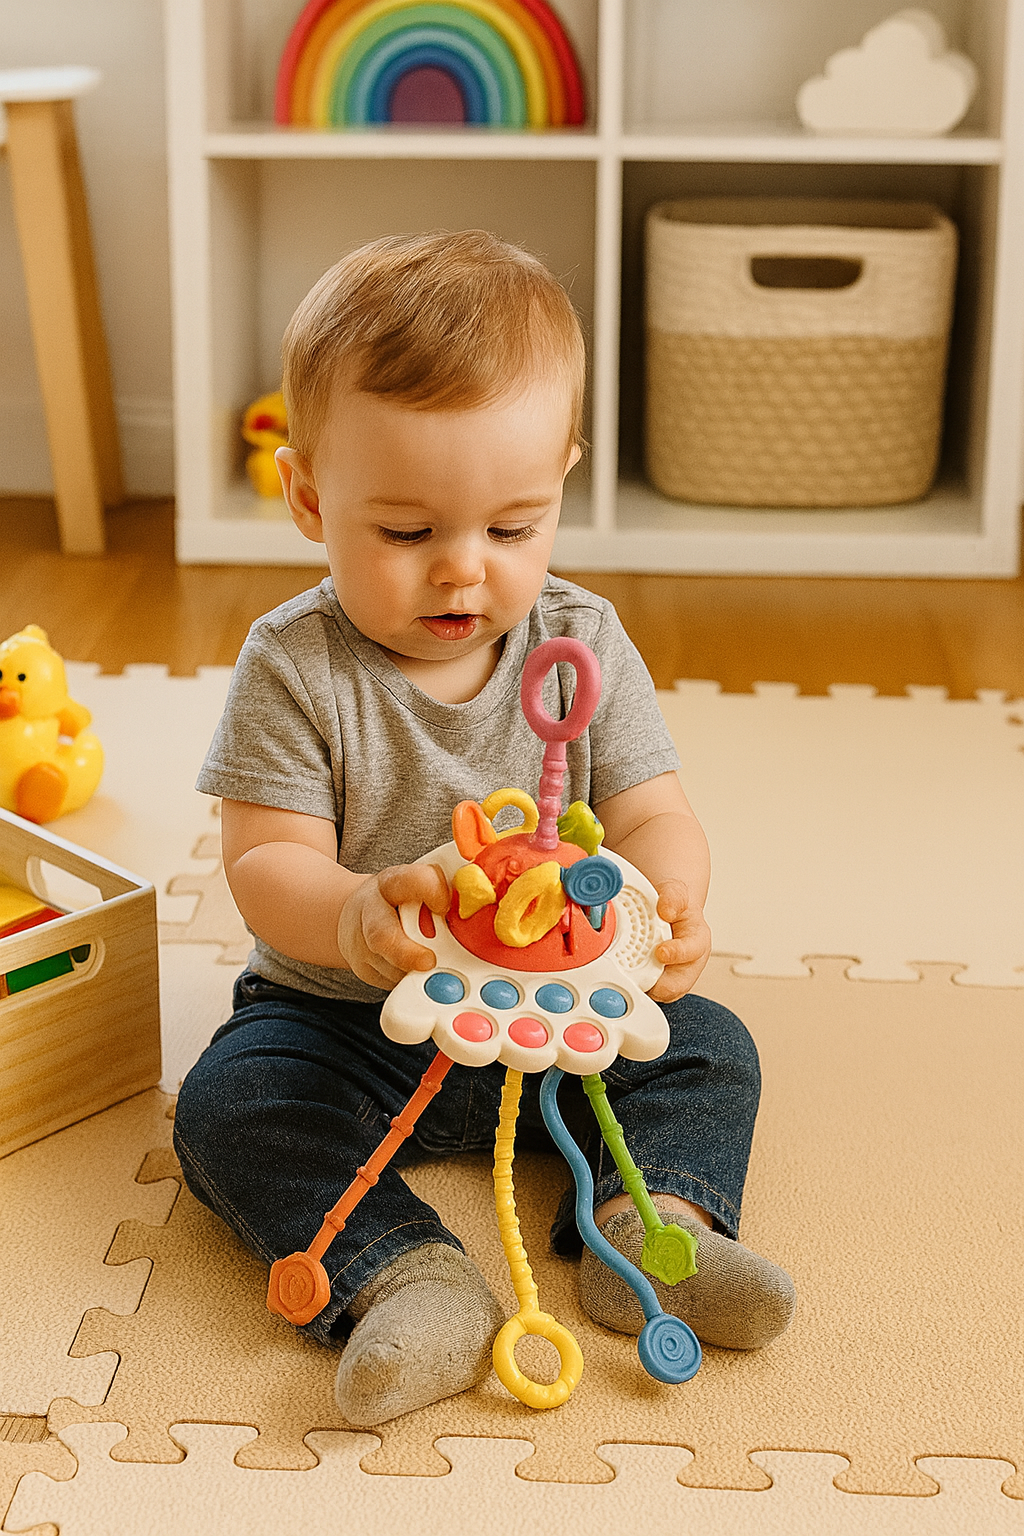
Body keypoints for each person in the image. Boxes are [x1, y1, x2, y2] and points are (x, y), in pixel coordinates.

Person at [174, 230, 795, 1429]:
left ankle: (648, 1232)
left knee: (712, 1043)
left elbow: (654, 810)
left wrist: (670, 906)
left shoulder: (584, 641)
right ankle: (403, 1278)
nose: (463, 571)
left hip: (563, 1015)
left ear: (560, 474)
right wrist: (351, 911)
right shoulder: (295, 667)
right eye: (406, 533)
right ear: (309, 495)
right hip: (346, 1020)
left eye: (511, 528)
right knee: (228, 1107)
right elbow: (263, 861)